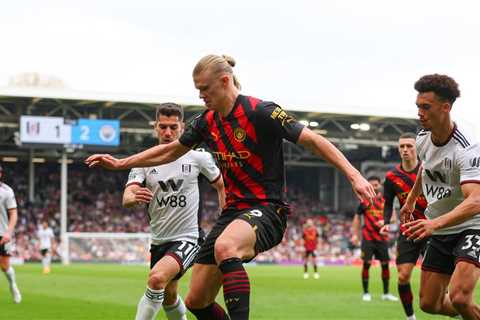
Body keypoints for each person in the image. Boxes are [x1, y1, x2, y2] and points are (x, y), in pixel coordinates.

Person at [86, 54, 375, 320]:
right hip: (233, 214)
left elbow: (313, 140)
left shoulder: (261, 111)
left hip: (266, 209)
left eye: (204, 89)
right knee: (197, 300)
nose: (200, 95)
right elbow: (171, 150)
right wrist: (122, 163)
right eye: (197, 89)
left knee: (226, 247)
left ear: (224, 81)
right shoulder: (207, 122)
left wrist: (354, 175)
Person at [122, 103, 225, 320]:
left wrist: (225, 219)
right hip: (159, 240)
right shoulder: (143, 161)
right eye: (163, 127)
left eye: (173, 127)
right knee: (169, 295)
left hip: (188, 238)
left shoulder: (198, 158)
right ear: (155, 127)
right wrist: (133, 198)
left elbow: (221, 185)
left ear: (183, 127)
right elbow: (127, 196)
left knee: (156, 279)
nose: (168, 132)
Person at [402, 74, 480, 319]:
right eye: (418, 106)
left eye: (426, 107)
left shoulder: (466, 147)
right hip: (441, 228)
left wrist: (433, 223)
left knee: (459, 297)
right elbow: (426, 167)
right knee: (429, 304)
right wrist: (412, 198)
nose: (419, 113)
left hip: (471, 227)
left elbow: (476, 200)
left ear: (445, 108)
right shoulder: (423, 137)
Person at [380, 133, 428, 320]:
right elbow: (387, 203)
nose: (405, 150)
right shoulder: (392, 177)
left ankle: (449, 305)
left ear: (417, 148)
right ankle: (410, 318)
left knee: (437, 278)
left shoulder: (428, 170)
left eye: (409, 145)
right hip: (407, 230)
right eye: (402, 147)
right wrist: (385, 223)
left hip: (430, 228)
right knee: (402, 277)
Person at [351, 176, 398, 302]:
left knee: (385, 265)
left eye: (376, 185)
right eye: (371, 185)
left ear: (380, 186)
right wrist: (355, 235)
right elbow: (356, 218)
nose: (374, 187)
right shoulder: (364, 201)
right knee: (366, 264)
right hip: (368, 237)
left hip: (382, 238)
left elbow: (393, 218)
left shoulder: (386, 201)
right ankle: (366, 293)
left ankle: (386, 293)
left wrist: (384, 221)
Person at [0, 164, 21, 303]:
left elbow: (13, 213)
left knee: (4, 265)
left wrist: (9, 232)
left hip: (2, 232)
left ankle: (13, 286)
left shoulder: (6, 191)